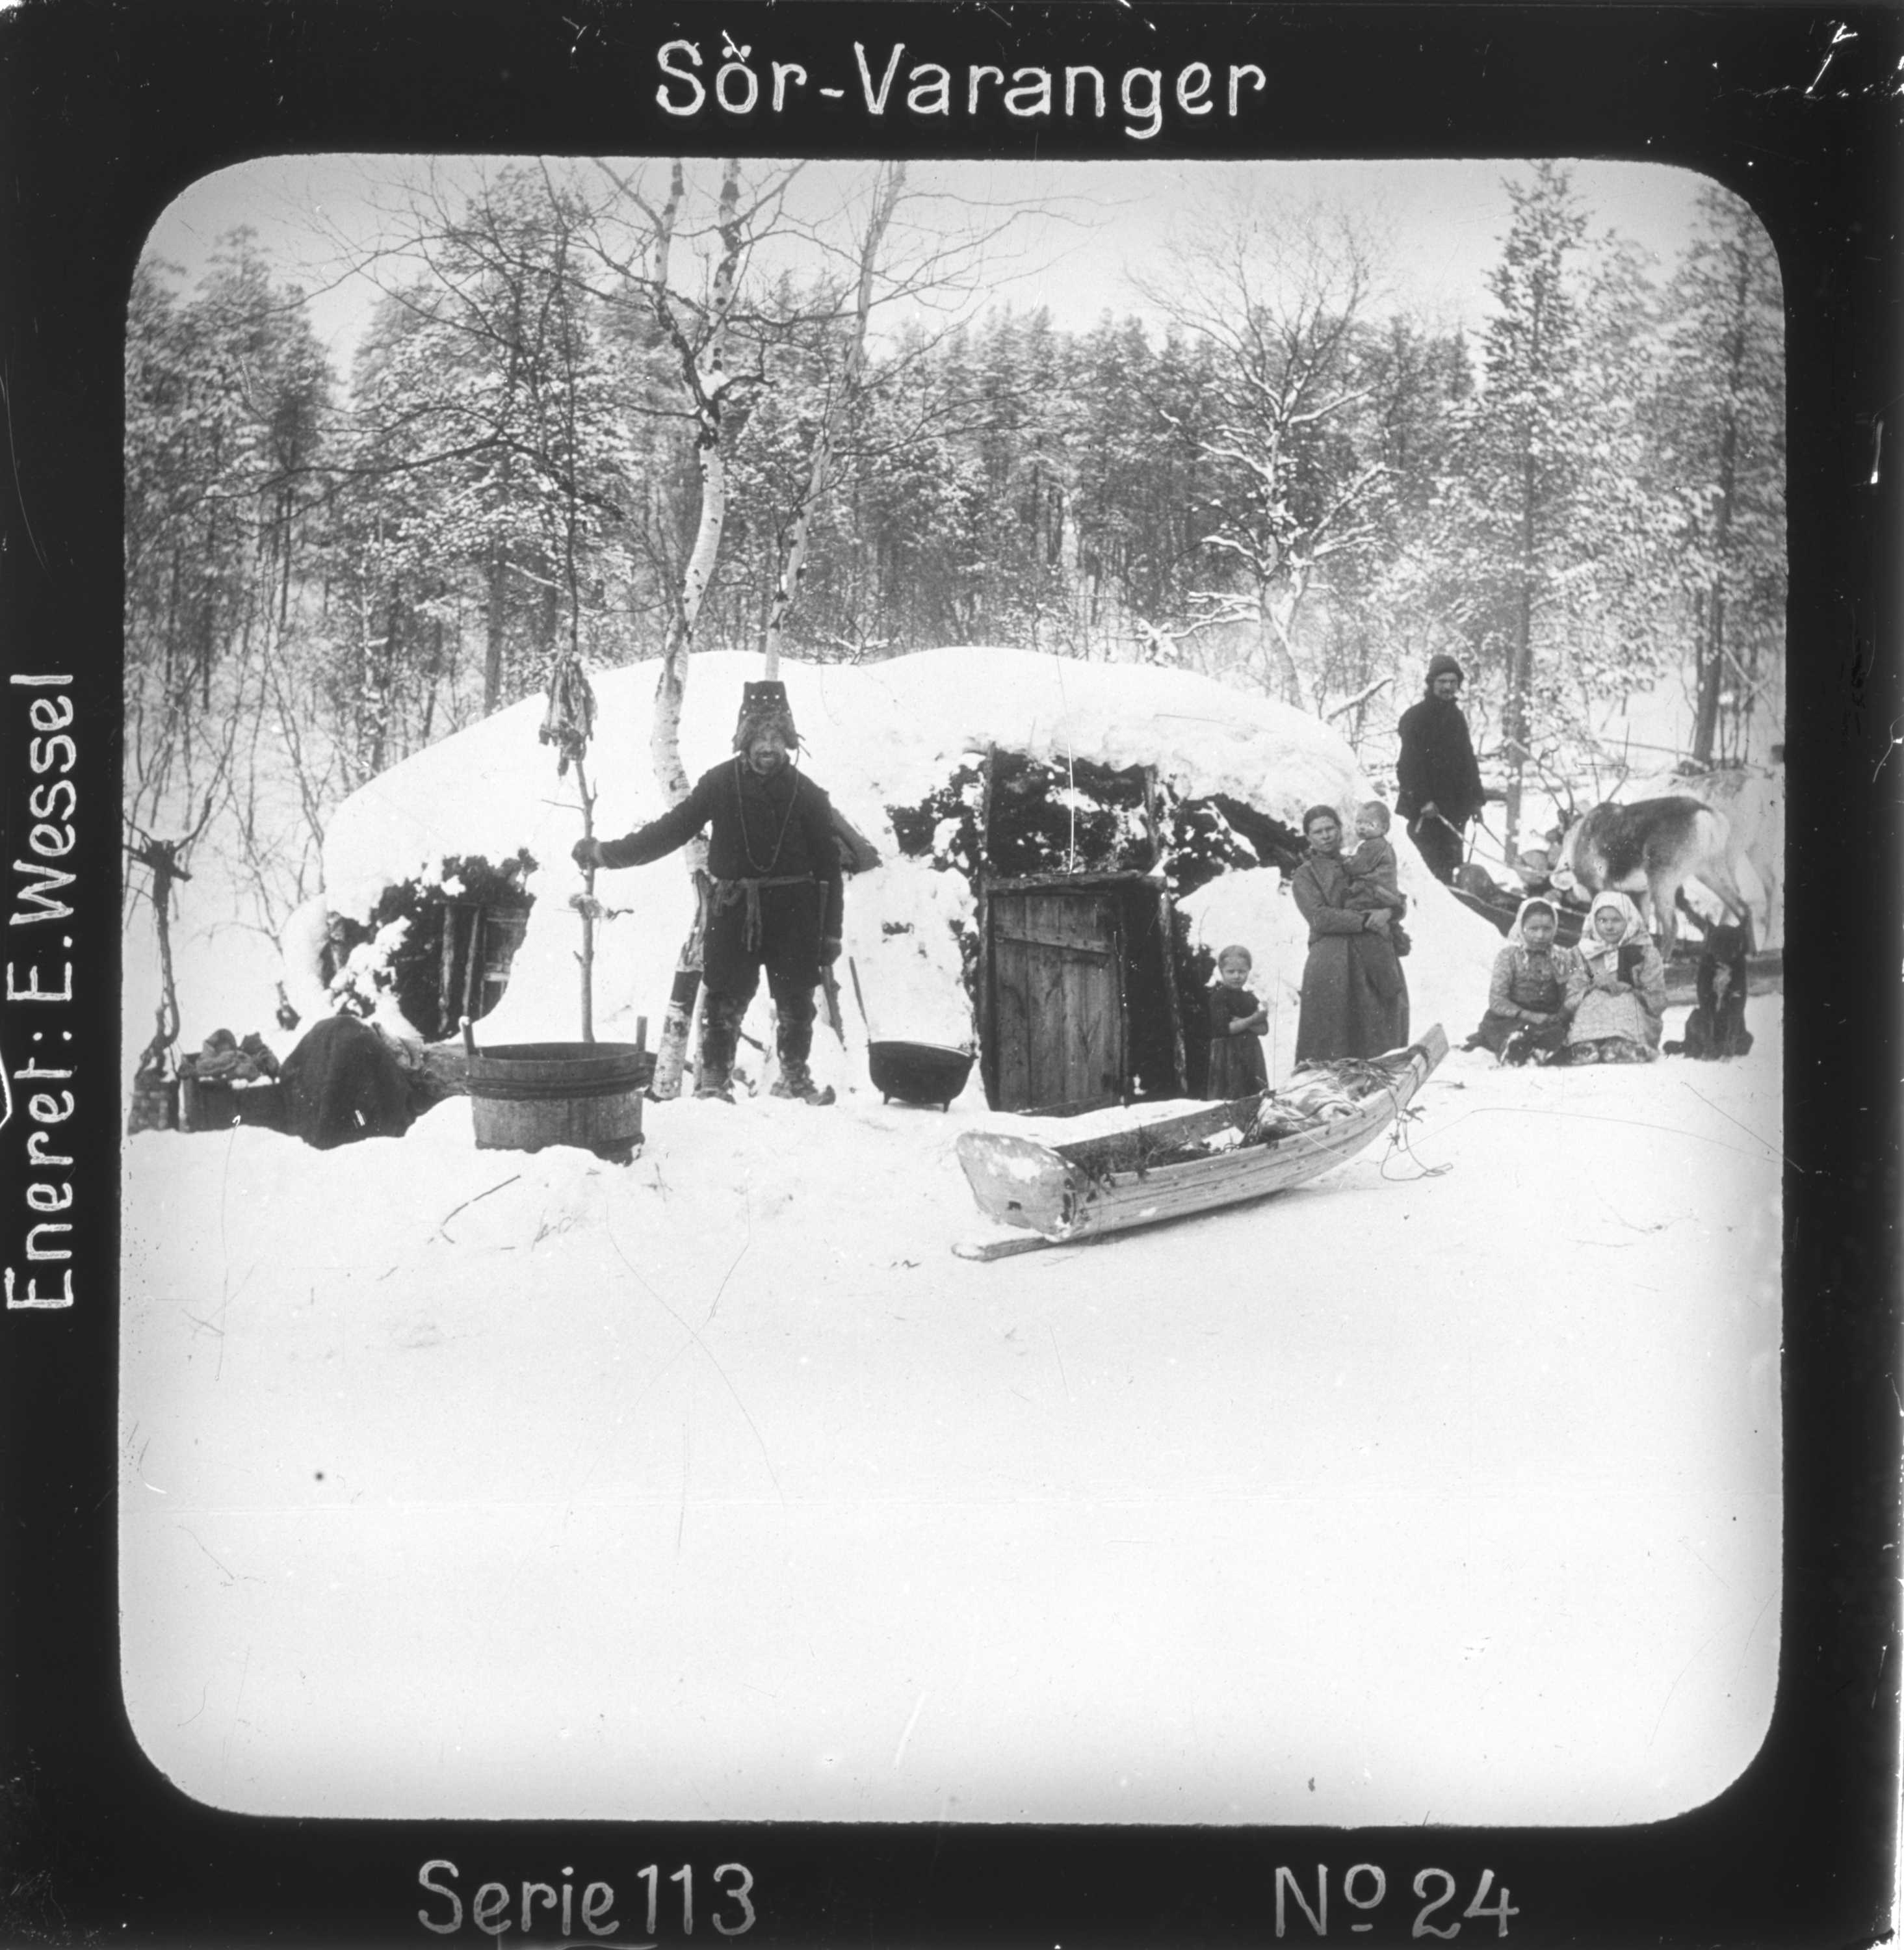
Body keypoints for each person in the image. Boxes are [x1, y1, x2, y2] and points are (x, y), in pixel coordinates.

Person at [573, 697, 844, 1103]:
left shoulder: (809, 795)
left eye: (776, 736)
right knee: (722, 998)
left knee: (797, 1002)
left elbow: (829, 869)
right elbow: (672, 830)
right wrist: (606, 855)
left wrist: (831, 934)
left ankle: (794, 1078)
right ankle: (714, 1082)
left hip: (795, 912)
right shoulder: (720, 783)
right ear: (744, 741)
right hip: (733, 908)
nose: (768, 746)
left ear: (788, 741)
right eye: (759, 737)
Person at [1290, 805, 1409, 1065]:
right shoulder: (1305, 874)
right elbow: (1319, 917)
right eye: (1318, 832)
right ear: (1308, 837)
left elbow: (1392, 892)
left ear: (1340, 829)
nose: (1326, 836)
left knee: (1378, 1029)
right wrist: (1365, 919)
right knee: (1332, 1037)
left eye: (1330, 828)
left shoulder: (1363, 859)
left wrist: (1390, 912)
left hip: (1373, 956)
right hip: (1333, 963)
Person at [1395, 653, 1488, 884]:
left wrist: (1476, 800)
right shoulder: (1415, 717)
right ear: (1431, 683)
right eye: (1442, 682)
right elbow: (1408, 765)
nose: (1448, 687)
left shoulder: (1456, 717)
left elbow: (1468, 761)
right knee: (1424, 872)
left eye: (1453, 682)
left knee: (1451, 869)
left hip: (1455, 811)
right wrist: (1423, 800)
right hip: (1427, 814)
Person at [1463, 897, 1580, 1063]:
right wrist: (1528, 1015)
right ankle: (1515, 1048)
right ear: (1521, 927)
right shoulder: (1509, 956)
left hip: (1548, 1017)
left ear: (1555, 928)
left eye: (1547, 929)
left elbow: (1569, 991)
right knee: (1510, 1030)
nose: (1540, 935)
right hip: (1513, 1017)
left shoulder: (1562, 957)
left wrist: (1562, 1014)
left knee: (1561, 1032)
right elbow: (1497, 1000)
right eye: (1533, 929)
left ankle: (1542, 1048)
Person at [1563, 890, 1666, 1064]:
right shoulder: (1583, 952)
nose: (1609, 927)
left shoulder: (1646, 951)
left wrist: (1632, 992)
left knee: (1624, 1000)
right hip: (1593, 1013)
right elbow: (1572, 996)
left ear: (1629, 921)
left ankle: (1624, 1045)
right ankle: (1587, 1045)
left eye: (1616, 920)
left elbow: (1657, 999)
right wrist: (1595, 989)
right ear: (1593, 921)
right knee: (1595, 998)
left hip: (1636, 1017)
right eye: (1602, 920)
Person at [1664, 925, 1754, 1060]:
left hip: (1730, 1030)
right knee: (1698, 1016)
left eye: (1732, 945)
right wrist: (1708, 1048)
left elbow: (1737, 1011)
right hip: (1705, 1029)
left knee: (1745, 1041)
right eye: (1720, 945)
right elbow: (1705, 1008)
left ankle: (1718, 1048)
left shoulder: (1739, 967)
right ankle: (1700, 1046)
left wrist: (1728, 1051)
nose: (1726, 950)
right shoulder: (1706, 968)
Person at [1341, 799, 1411, 956]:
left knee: (1350, 904)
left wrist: (1342, 862)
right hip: (1384, 894)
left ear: (1385, 828)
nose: (1362, 827)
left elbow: (1356, 867)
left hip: (1374, 893)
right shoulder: (1382, 845)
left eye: (1370, 824)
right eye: (1359, 822)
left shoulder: (1374, 845)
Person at [1204, 943, 1270, 1099]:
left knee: (1255, 1095)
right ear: (1221, 971)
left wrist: (1242, 1022)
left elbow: (1264, 1029)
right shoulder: (1219, 998)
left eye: (1242, 971)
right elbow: (1225, 1030)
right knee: (1230, 1097)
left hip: (1251, 1053)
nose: (1236, 976)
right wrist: (1253, 1020)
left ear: (1248, 971)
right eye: (1231, 972)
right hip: (1227, 1055)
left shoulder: (1250, 998)